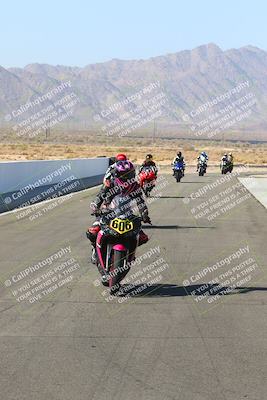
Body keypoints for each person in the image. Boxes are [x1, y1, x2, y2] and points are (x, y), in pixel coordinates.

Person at [87, 160, 151, 264]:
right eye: (123, 175)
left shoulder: (135, 186)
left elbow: (141, 202)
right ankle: (95, 249)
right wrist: (95, 206)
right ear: (116, 174)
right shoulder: (109, 184)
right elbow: (100, 196)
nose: (126, 177)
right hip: (107, 213)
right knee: (92, 231)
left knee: (142, 237)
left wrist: (144, 214)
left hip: (127, 215)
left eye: (129, 174)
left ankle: (130, 253)